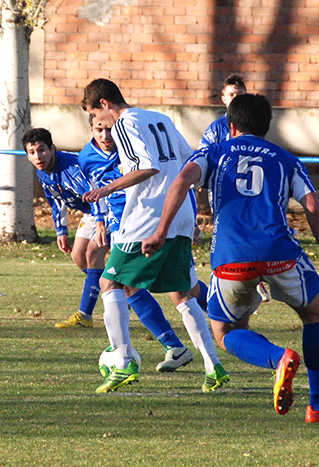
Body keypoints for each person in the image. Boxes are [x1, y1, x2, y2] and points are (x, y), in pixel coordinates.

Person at [143, 94, 319, 423]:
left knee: (225, 332)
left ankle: (278, 358)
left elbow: (182, 181)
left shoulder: (214, 152)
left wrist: (160, 233)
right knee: (314, 313)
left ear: (231, 126)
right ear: (267, 126)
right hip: (280, 254)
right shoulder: (286, 159)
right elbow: (313, 205)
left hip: (231, 258)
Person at [80, 78, 228, 393]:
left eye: (95, 114)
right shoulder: (160, 118)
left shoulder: (124, 123)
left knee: (109, 282)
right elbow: (190, 160)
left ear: (105, 104)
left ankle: (123, 361)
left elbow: (146, 168)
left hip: (147, 216)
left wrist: (106, 188)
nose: (99, 124)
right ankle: (213, 366)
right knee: (184, 292)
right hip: (179, 214)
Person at [78, 115, 200, 372]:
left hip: (150, 222)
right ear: (91, 129)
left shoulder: (134, 146)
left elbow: (178, 179)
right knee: (127, 284)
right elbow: (95, 190)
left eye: (109, 129)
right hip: (122, 227)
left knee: (183, 289)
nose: (105, 135)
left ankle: (223, 318)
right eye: (99, 129)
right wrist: (100, 221)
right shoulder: (87, 157)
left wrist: (192, 217)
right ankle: (175, 347)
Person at [23, 127, 108, 330]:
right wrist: (61, 231)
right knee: (78, 256)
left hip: (108, 207)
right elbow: (56, 200)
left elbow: (96, 192)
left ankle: (85, 315)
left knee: (92, 253)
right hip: (91, 211)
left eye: (42, 150)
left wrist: (100, 222)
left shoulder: (73, 167)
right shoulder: (43, 171)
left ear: (52, 149)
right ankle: (117, 291)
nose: (38, 157)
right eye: (32, 152)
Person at [199, 73, 271, 303]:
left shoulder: (253, 124)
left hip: (251, 189)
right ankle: (228, 278)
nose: (235, 98)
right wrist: (200, 177)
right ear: (223, 99)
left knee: (250, 229)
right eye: (231, 95)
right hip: (224, 189)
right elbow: (203, 153)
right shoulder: (216, 128)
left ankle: (253, 276)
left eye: (239, 94)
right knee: (227, 231)